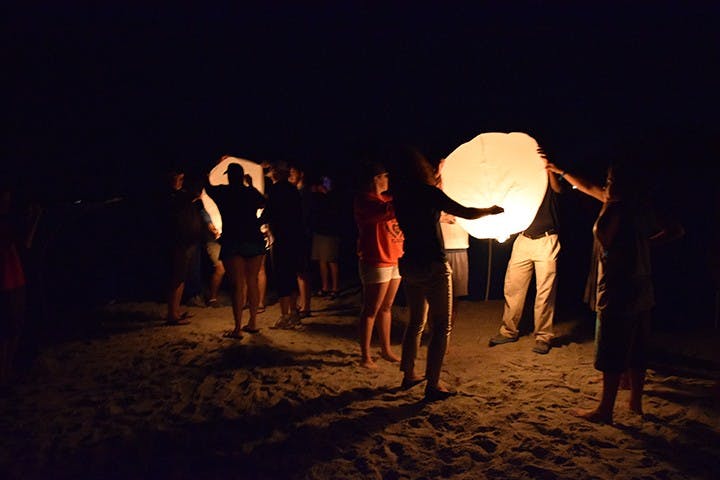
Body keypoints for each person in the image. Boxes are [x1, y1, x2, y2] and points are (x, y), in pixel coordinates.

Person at [545, 156, 683, 423]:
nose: (605, 185)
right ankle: (635, 403)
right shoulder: (641, 206)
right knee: (637, 344)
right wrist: (562, 170)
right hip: (643, 284)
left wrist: (620, 230)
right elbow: (675, 230)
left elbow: (604, 235)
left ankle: (605, 409)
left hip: (619, 285)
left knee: (611, 345)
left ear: (618, 183)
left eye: (609, 180)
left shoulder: (617, 208)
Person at [387, 145, 504, 401]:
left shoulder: (400, 194)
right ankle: (433, 384)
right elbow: (465, 212)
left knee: (416, 321)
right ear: (421, 168)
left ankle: (408, 374)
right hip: (433, 264)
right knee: (441, 327)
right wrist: (491, 210)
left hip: (410, 263)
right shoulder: (427, 193)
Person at [488, 147, 566, 354]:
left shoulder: (550, 178)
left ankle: (543, 336)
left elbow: (559, 190)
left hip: (547, 240)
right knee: (513, 286)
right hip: (524, 238)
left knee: (545, 291)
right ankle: (508, 331)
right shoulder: (523, 182)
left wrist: (548, 168)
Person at [205, 162, 266, 338]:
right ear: (242, 176)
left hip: (233, 241)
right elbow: (264, 203)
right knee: (252, 281)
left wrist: (212, 163)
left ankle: (238, 327)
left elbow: (207, 186)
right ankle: (253, 322)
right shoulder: (250, 192)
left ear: (229, 176)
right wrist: (251, 185)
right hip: (254, 240)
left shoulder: (223, 192)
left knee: (237, 285)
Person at [353, 161, 404, 369]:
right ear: (376, 178)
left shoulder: (386, 198)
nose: (388, 180)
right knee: (371, 308)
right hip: (376, 259)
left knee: (387, 307)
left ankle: (385, 349)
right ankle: (365, 355)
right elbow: (387, 211)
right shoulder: (364, 200)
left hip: (395, 257)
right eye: (385, 176)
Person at [0, 179, 40, 384]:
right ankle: (4, 371)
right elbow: (23, 242)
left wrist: (32, 220)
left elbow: (25, 243)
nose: (5, 204)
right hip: (7, 280)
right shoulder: (4, 222)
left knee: (14, 326)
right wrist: (32, 220)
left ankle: (7, 369)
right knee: (8, 328)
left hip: (15, 278)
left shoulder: (8, 220)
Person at [261, 162, 305, 329]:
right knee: (292, 276)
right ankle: (294, 313)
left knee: (282, 277)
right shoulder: (293, 189)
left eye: (271, 171)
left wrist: (254, 221)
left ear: (276, 174)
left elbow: (268, 213)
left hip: (281, 239)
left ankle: (285, 316)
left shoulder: (276, 189)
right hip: (295, 239)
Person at [163, 168, 205, 325]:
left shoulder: (180, 195)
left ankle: (176, 311)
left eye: (181, 177)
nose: (179, 179)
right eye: (176, 177)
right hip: (179, 243)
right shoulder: (173, 197)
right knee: (177, 278)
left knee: (181, 278)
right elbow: (196, 193)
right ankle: (172, 315)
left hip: (187, 242)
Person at [436, 158, 470, 354]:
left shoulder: (467, 189)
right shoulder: (435, 189)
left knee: (453, 296)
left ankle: (446, 333)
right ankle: (435, 332)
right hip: (441, 247)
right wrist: (442, 217)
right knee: (436, 294)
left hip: (459, 246)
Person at [310, 173, 342, 299]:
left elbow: (335, 211)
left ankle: (335, 288)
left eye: (327, 181)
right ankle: (325, 287)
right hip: (319, 231)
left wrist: (325, 194)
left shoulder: (334, 196)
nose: (324, 184)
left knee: (332, 260)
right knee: (321, 260)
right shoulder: (318, 197)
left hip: (331, 232)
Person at [289, 163, 313, 317]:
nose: (290, 176)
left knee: (302, 271)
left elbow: (304, 216)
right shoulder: (298, 192)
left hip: (302, 236)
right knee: (299, 271)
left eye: (293, 172)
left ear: (301, 174)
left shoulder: (303, 193)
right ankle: (303, 303)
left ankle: (306, 306)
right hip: (299, 235)